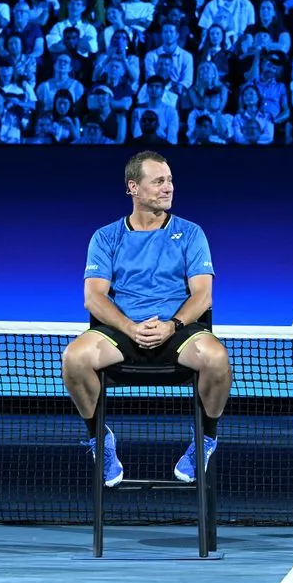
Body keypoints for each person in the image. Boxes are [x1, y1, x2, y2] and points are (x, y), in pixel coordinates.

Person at [61, 151, 231, 486]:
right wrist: (128, 327)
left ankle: (205, 440)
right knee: (74, 358)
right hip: (124, 332)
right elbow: (93, 297)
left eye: (169, 180)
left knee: (217, 358)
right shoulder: (106, 237)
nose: (168, 187)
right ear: (133, 188)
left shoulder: (191, 233)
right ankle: (99, 438)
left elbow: (203, 295)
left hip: (178, 332)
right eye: (158, 181)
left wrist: (171, 326)